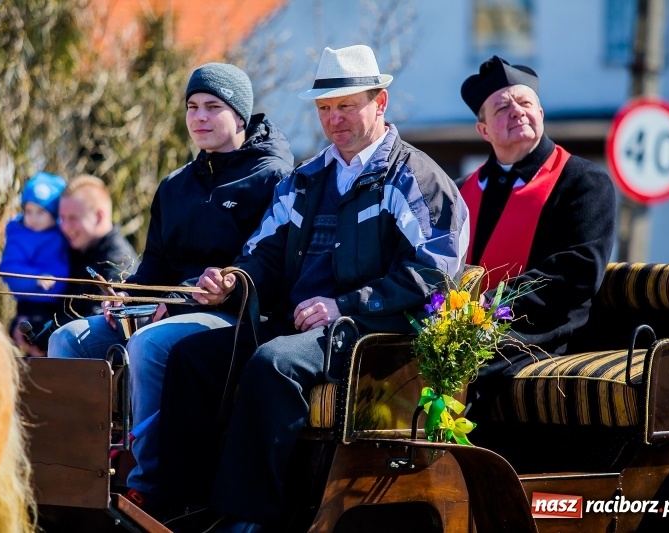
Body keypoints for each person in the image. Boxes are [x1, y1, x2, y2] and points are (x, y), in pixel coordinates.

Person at [149, 45, 469, 532]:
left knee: (273, 364)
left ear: (379, 103)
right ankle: (180, 508)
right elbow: (266, 253)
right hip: (300, 324)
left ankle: (248, 519)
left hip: (371, 330)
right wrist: (233, 280)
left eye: (346, 105)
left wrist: (342, 305)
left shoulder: (415, 177)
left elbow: (435, 273)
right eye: (324, 108)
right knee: (194, 357)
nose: (334, 119)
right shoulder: (306, 178)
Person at [48, 63, 294, 502]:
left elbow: (261, 268)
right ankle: (70, 473)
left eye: (213, 107)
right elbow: (154, 265)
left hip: (231, 317)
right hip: (167, 307)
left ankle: (147, 486)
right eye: (192, 107)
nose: (199, 117)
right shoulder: (174, 185)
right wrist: (129, 295)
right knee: (69, 340)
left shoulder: (273, 179)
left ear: (240, 115)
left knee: (150, 345)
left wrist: (181, 302)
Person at [457, 56, 616, 384]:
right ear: (483, 130)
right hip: (468, 325)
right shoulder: (459, 193)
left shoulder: (582, 182)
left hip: (544, 332)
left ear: (540, 113)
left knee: (457, 364)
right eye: (502, 108)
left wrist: (498, 302)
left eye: (525, 102)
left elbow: (580, 268)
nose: (516, 110)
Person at [0, 171, 69, 356]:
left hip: (61, 305)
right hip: (33, 307)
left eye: (40, 212)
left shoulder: (63, 234)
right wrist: (35, 278)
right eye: (28, 211)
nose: (33, 218)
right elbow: (10, 269)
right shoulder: (20, 236)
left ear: (54, 214)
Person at [56, 174, 139, 320]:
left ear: (99, 216)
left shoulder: (119, 262)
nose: (65, 227)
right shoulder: (74, 251)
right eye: (62, 218)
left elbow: (96, 320)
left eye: (73, 218)